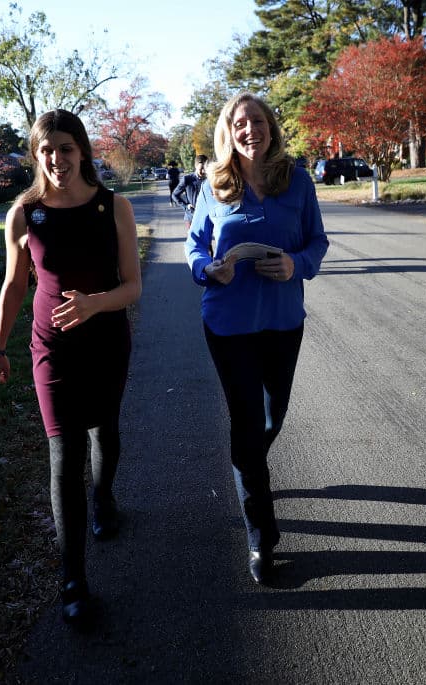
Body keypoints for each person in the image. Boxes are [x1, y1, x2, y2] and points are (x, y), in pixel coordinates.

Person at [0, 109, 141, 626]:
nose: (57, 159)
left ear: (83, 152)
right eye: (46, 149)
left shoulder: (112, 207)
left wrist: (95, 303)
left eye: (66, 148)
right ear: (37, 155)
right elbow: (14, 285)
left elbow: (132, 287)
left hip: (105, 341)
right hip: (50, 348)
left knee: (105, 431)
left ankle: (104, 499)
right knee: (64, 452)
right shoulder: (25, 213)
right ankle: (72, 579)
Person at [183, 93, 328, 585]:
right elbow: (195, 245)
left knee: (272, 416)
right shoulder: (214, 184)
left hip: (284, 321)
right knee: (247, 426)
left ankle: (248, 464)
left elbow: (317, 242)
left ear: (271, 128)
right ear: (228, 132)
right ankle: (260, 538)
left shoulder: (298, 180)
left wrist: (295, 264)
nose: (251, 130)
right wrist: (209, 269)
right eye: (240, 123)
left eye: (258, 121)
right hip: (228, 324)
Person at [172, 154, 209, 227]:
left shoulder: (210, 180)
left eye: (205, 168)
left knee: (207, 238)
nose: (204, 171)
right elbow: (174, 195)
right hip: (191, 217)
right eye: (201, 168)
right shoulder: (187, 179)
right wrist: (186, 206)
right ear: (196, 166)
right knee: (194, 238)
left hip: (207, 217)